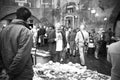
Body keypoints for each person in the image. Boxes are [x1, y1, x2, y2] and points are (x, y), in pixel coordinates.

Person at [0, 7, 33, 80]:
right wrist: (10, 73)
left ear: (16, 16)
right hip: (21, 74)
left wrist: (3, 70)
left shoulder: (4, 30)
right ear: (27, 19)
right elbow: (21, 56)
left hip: (6, 71)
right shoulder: (25, 31)